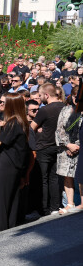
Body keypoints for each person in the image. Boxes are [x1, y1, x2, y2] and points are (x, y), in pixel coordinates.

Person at [0, 94, 31, 232]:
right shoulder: (18, 121)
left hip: (7, 164)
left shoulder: (12, 123)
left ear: (10, 105)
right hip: (14, 165)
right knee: (11, 198)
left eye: (2, 102)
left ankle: (0, 231)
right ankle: (8, 230)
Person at [31, 83, 65, 215]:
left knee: (43, 179)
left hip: (44, 147)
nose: (39, 98)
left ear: (46, 95)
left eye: (40, 95)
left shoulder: (45, 110)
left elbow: (32, 127)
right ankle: (54, 207)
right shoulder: (65, 107)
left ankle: (44, 209)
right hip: (58, 147)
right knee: (54, 178)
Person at [54, 87, 81, 215]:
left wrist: (76, 146)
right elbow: (59, 130)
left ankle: (81, 202)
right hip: (65, 149)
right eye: (75, 96)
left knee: (80, 177)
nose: (77, 99)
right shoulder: (65, 110)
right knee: (67, 176)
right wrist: (68, 145)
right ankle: (70, 203)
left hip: (80, 149)